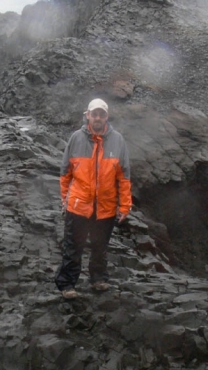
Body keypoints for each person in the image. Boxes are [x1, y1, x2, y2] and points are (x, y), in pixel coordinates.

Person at [54, 98, 132, 299]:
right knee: (73, 247)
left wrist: (125, 206)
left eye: (101, 114)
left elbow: (124, 177)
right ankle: (67, 284)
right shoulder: (75, 138)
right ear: (87, 115)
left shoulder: (118, 140)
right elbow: (65, 174)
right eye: (94, 114)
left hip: (105, 207)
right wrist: (65, 200)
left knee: (100, 246)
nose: (97, 118)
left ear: (106, 116)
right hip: (78, 205)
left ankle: (98, 278)